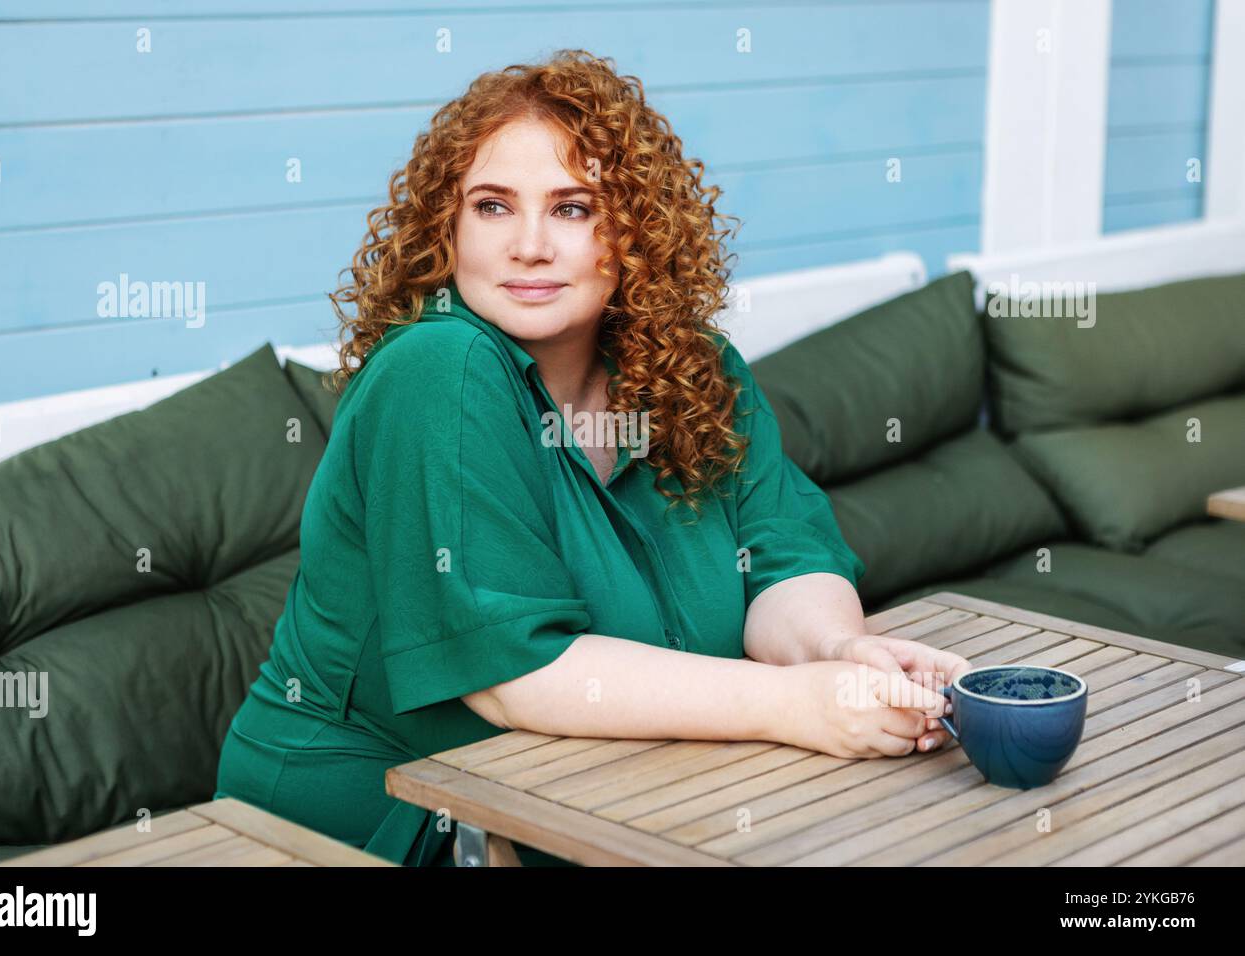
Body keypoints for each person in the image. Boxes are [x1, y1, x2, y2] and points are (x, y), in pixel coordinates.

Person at [214, 49, 972, 867]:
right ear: (448, 227)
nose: (529, 246)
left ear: (636, 229)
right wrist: (799, 705)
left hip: (623, 799)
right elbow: (515, 676)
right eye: (493, 207)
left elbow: (783, 562)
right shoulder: (439, 373)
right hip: (381, 824)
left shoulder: (694, 369)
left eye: (573, 207)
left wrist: (835, 653)